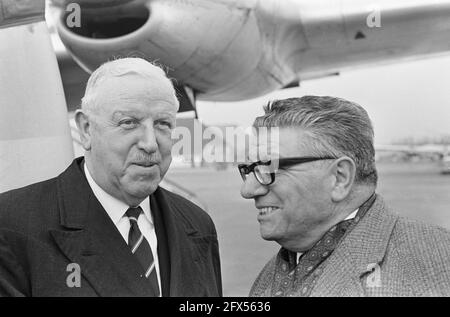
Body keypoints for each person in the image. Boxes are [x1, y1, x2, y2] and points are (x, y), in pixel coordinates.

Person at [0, 58, 222, 296]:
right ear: (86, 129)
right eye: (128, 123)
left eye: (163, 124)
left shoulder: (198, 225)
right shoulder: (12, 225)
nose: (149, 143)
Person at [238, 96, 450, 297]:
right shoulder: (269, 276)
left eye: (269, 168)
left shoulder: (436, 267)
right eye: (248, 170)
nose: (247, 190)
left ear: (340, 177)